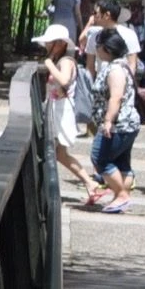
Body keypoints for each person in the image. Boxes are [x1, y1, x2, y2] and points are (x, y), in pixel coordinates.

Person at [37, 24, 100, 203]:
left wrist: (49, 65)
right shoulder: (61, 60)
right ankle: (89, 184)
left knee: (56, 152)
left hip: (62, 110)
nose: (47, 45)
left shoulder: (65, 61)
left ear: (59, 44)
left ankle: (88, 183)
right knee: (58, 153)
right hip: (57, 108)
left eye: (50, 42)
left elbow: (64, 79)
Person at [89, 28, 140, 213]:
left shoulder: (116, 69)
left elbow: (115, 97)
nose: (96, 50)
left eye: (98, 46)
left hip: (120, 124)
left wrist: (108, 121)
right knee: (121, 162)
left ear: (107, 49)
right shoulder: (119, 65)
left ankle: (121, 195)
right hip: (126, 123)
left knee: (99, 157)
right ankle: (121, 198)